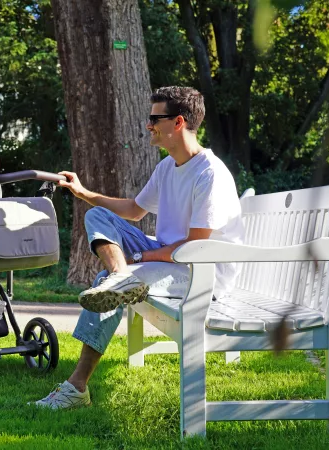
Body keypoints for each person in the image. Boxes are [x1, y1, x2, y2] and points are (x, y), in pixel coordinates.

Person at [30, 86, 244, 409]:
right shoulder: (167, 168)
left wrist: (143, 256)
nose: (148, 125)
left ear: (178, 122)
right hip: (173, 259)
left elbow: (198, 246)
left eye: (154, 118)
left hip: (201, 272)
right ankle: (120, 276)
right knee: (98, 216)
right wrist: (82, 192)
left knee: (107, 286)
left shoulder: (209, 174)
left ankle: (76, 388)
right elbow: (133, 210)